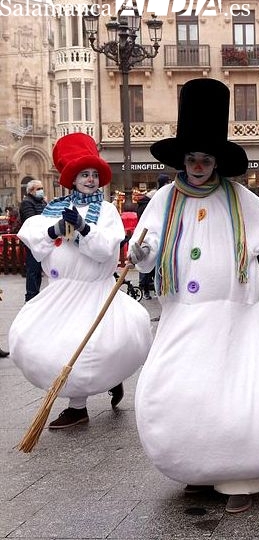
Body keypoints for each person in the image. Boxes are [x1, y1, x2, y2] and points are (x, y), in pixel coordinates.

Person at [129, 78, 259, 514]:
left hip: (235, 318)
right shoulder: (163, 200)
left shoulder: (240, 199)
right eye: (192, 159)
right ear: (182, 161)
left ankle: (242, 475)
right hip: (182, 317)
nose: (198, 166)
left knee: (242, 394)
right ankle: (198, 468)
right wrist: (141, 250)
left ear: (216, 162)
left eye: (206, 159)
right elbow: (145, 251)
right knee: (178, 392)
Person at [9, 132, 153, 429]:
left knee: (88, 348)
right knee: (33, 342)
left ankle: (79, 406)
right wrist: (57, 230)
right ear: (71, 178)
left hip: (92, 292)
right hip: (59, 293)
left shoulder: (108, 211)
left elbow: (104, 252)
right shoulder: (51, 209)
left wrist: (84, 229)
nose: (90, 179)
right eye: (83, 174)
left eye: (94, 174)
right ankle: (97, 386)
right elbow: (34, 238)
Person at [136, 173, 172, 299]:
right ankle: (145, 289)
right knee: (147, 267)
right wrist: (147, 245)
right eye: (167, 181)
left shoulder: (166, 195)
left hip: (162, 238)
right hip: (150, 236)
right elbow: (150, 224)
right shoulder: (159, 197)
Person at [19, 179, 47, 301]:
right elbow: (32, 220)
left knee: (39, 270)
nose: (41, 191)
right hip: (32, 241)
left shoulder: (42, 201)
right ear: (31, 191)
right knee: (33, 269)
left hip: (42, 239)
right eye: (38, 189)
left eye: (41, 188)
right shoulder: (27, 202)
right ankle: (31, 297)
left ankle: (36, 295)